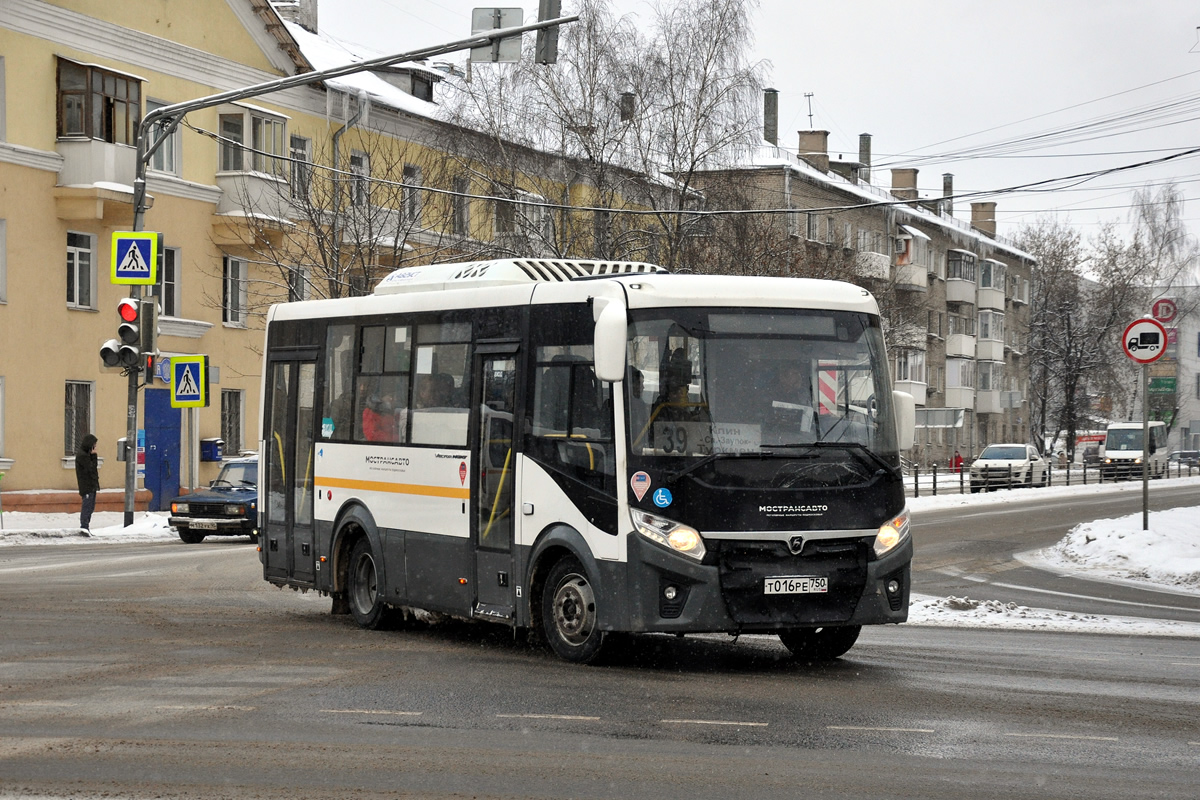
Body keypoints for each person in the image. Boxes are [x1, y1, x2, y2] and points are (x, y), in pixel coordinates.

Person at [75, 433, 99, 532]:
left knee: (90, 507)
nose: (95, 447)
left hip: (91, 485)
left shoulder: (86, 455)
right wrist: (94, 456)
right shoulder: (82, 456)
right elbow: (91, 468)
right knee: (87, 507)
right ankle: (84, 527)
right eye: (94, 444)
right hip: (87, 485)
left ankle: (86, 526)